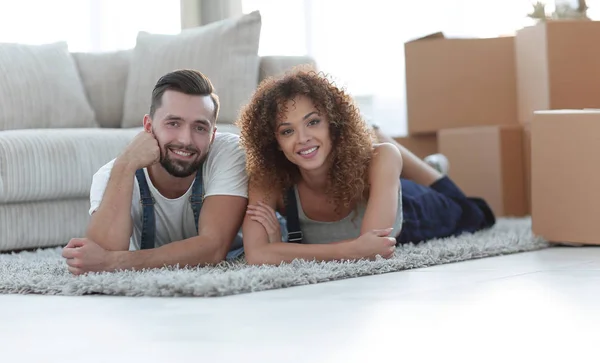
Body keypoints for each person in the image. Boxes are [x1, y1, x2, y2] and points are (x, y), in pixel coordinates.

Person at [236, 68, 496, 266]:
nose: (302, 137)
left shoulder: (380, 159)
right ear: (275, 142)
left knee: (473, 212)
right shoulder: (267, 179)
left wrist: (282, 248)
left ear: (333, 124)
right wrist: (349, 249)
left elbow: (373, 249)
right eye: (287, 130)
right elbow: (256, 254)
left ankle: (415, 158)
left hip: (413, 209)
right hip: (381, 185)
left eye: (313, 122)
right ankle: (416, 157)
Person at [62, 69, 249, 275]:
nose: (185, 140)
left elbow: (214, 248)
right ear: (148, 127)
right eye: (173, 123)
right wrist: (125, 165)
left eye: (199, 128)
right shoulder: (111, 175)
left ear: (213, 135)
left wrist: (115, 262)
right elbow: (98, 257)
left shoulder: (228, 151)